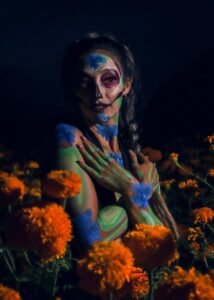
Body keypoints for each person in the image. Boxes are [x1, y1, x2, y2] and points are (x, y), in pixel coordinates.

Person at [55, 33, 178, 253]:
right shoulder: (70, 140)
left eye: (109, 79)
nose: (98, 93)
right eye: (84, 82)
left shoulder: (129, 151)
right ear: (73, 90)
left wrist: (134, 191)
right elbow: (90, 240)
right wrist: (135, 191)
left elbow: (166, 247)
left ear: (126, 84)